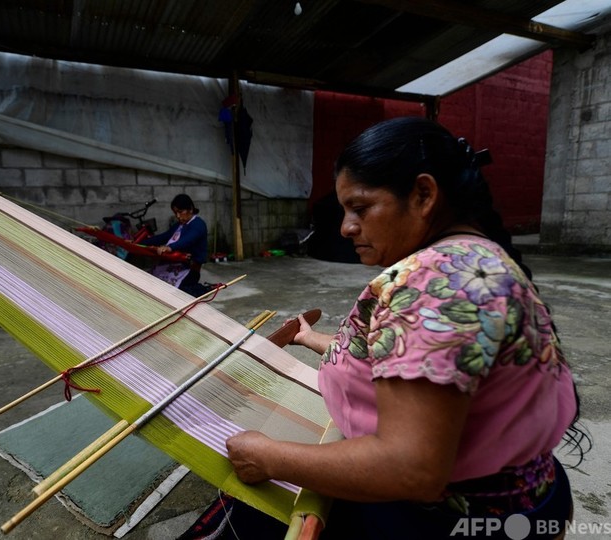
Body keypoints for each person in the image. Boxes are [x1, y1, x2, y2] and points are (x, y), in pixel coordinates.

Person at [218, 117, 586, 539]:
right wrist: (309, 338)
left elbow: (410, 469)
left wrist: (270, 457)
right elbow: (413, 363)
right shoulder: (475, 258)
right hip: (523, 499)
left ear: (424, 195)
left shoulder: (438, 284)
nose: (345, 227)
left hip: (457, 519)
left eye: (360, 207)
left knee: (249, 514)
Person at [142, 193, 209, 296]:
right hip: (173, 265)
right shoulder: (179, 225)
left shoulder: (198, 225)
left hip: (189, 271)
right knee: (151, 280)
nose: (178, 216)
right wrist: (138, 242)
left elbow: (187, 240)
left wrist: (170, 248)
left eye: (180, 212)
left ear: (190, 209)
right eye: (175, 213)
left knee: (171, 292)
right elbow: (164, 236)